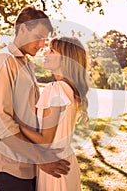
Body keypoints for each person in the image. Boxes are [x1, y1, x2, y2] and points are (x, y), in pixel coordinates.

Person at [0, 6, 70, 191]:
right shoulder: (2, 61)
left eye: (45, 39)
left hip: (29, 164)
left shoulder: (25, 63)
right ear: (22, 29)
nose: (42, 44)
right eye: (38, 36)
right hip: (11, 166)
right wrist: (40, 158)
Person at [19, 36, 89, 191]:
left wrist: (17, 123)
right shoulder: (71, 90)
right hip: (66, 162)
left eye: (51, 51)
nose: (44, 53)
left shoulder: (55, 89)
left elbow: (45, 140)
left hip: (54, 168)